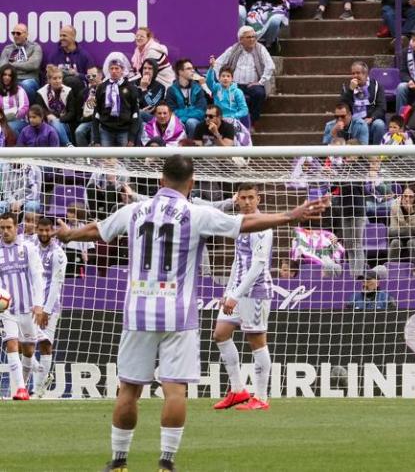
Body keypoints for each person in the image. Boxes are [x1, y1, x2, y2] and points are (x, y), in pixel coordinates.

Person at [56, 155, 326, 472]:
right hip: (179, 316)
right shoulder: (195, 214)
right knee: (175, 390)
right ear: (192, 183)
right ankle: (166, 463)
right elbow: (245, 224)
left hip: (137, 313)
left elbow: (98, 230)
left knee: (129, 388)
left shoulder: (134, 210)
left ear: (160, 181)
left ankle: (118, 461)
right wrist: (290, 215)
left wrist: (70, 235)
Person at [212, 183, 276, 412]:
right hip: (238, 291)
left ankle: (261, 397)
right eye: (243, 198)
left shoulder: (262, 226)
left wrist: (236, 295)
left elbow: (258, 265)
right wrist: (228, 292)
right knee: (220, 334)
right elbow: (238, 261)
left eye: (251, 197)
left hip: (256, 291)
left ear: (259, 199)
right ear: (236, 199)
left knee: (257, 342)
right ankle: (238, 390)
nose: (247, 202)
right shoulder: (240, 224)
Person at [0, 212, 47, 401]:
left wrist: (39, 305)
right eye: (2, 228)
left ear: (16, 228)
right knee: (11, 343)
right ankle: (20, 388)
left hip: (28, 308)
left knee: (28, 350)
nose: (5, 231)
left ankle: (23, 386)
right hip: (7, 310)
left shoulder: (28, 248)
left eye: (8, 227)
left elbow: (37, 277)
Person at [27, 217, 66, 398]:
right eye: (41, 230)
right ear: (36, 229)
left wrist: (46, 310)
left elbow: (56, 284)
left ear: (53, 231)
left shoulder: (58, 254)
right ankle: (43, 372)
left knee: (45, 345)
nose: (44, 233)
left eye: (47, 230)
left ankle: (38, 390)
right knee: (22, 341)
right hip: (30, 304)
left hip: (50, 307)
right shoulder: (29, 247)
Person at [213, 26, 276, 129]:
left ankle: (253, 122)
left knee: (259, 93)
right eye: (248, 37)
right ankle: (231, 123)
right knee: (228, 93)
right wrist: (221, 80)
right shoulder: (233, 49)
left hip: (253, 84)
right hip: (235, 84)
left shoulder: (260, 49)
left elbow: (270, 66)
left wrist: (261, 82)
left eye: (253, 37)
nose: (252, 39)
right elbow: (217, 63)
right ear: (241, 40)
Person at [94, 53, 139, 147]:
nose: (114, 71)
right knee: (106, 156)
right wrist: (96, 139)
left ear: (122, 70)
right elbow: (96, 112)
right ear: (108, 70)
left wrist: (132, 138)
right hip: (106, 130)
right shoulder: (102, 87)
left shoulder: (130, 88)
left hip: (124, 131)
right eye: (112, 68)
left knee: (124, 157)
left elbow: (135, 113)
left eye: (117, 68)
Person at [340, 61, 387, 145]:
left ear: (365, 74)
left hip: (370, 122)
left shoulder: (376, 86)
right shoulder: (347, 88)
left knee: (379, 124)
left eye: (358, 73)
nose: (355, 76)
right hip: (354, 124)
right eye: (353, 73)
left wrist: (372, 118)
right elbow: (342, 107)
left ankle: (377, 152)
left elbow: (382, 107)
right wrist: (350, 90)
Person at [166, 59, 208, 138]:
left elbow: (201, 111)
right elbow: (172, 112)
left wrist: (184, 118)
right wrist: (191, 111)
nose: (192, 71)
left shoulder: (198, 88)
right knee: (177, 123)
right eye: (188, 69)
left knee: (190, 122)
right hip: (178, 121)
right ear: (180, 72)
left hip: (195, 120)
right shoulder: (171, 90)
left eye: (192, 68)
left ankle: (192, 145)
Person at [388, 184, 415, 263]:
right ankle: (392, 267)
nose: (407, 199)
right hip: (400, 237)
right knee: (395, 242)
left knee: (412, 242)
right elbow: (392, 231)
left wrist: (411, 213)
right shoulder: (394, 205)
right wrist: (412, 232)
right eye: (405, 196)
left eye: (411, 197)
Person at [0, 23, 42, 101]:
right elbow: (3, 67)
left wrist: (12, 65)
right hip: (10, 79)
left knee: (24, 85)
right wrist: (24, 66)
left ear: (26, 35)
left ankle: (27, 108)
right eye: (13, 33)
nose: (15, 35)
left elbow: (33, 65)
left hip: (29, 79)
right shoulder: (7, 49)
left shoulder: (35, 47)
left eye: (18, 33)